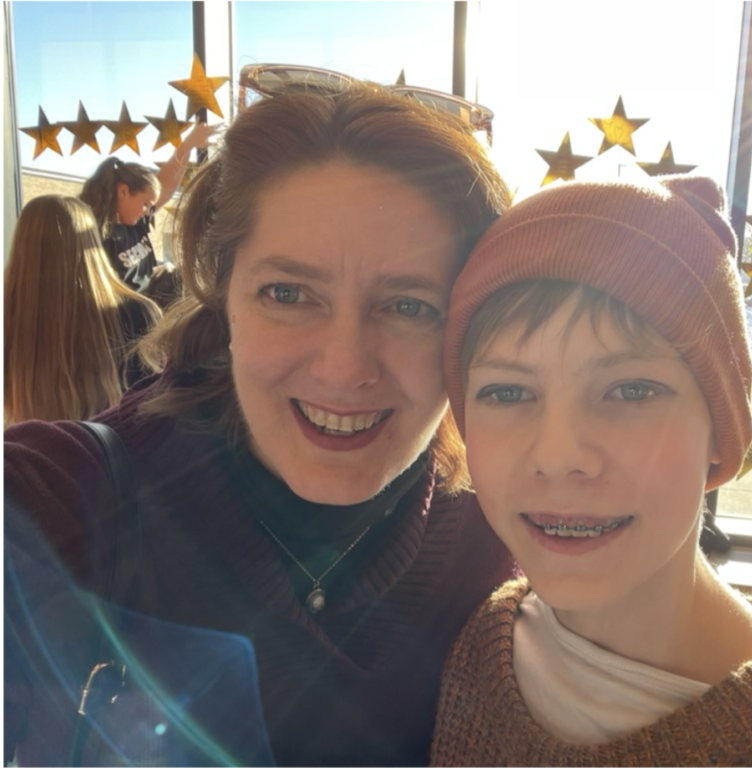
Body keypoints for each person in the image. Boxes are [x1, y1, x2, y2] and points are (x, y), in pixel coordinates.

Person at [5, 83, 515, 766]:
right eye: (288, 294)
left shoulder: (498, 549)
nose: (344, 369)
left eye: (410, 306)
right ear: (224, 295)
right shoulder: (65, 501)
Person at [431, 175, 752, 766]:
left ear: (720, 431)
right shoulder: (483, 647)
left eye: (631, 390)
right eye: (509, 393)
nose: (559, 455)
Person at [3, 194, 160, 426]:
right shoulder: (138, 313)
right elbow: (155, 413)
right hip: (113, 455)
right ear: (91, 244)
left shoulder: (9, 319)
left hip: (31, 455)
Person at [78, 122, 215, 306]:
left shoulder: (136, 223)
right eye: (145, 204)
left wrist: (188, 144)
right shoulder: (96, 235)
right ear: (123, 192)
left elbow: (166, 186)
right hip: (132, 315)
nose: (148, 211)